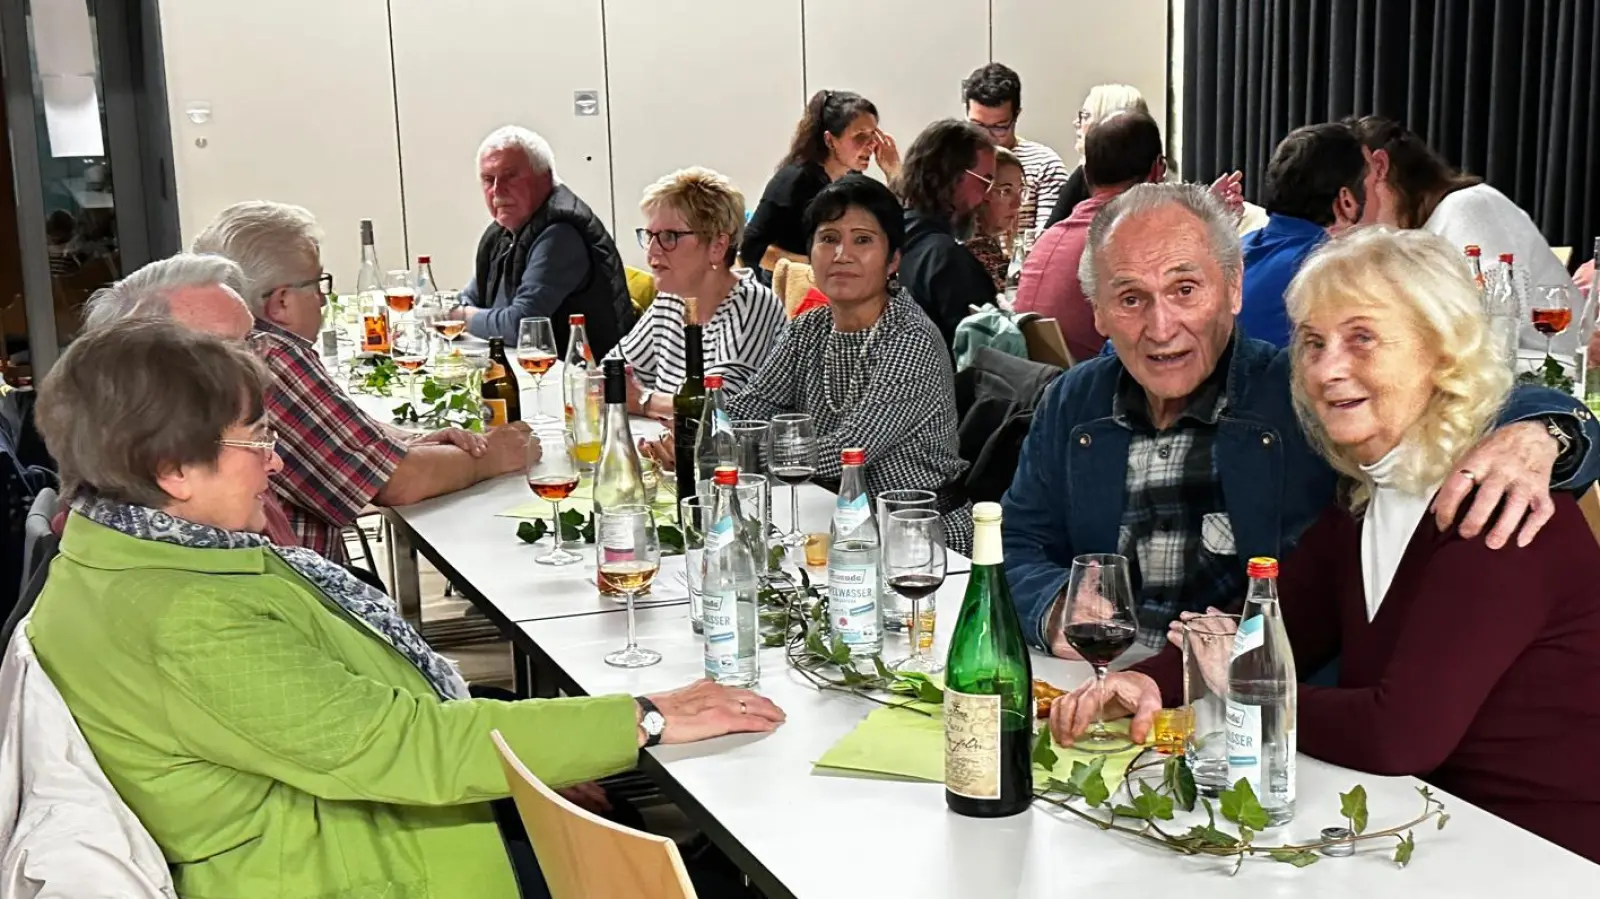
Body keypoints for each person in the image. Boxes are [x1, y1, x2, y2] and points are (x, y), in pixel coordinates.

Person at [25, 320, 786, 898]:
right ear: (170, 469)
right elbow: (406, 747)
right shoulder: (178, 615)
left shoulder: (123, 551)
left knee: (647, 812)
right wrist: (645, 716)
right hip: (370, 868)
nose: (278, 459)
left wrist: (551, 752)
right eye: (257, 438)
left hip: (353, 812)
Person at [1050, 228, 1600, 864]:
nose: (1326, 367)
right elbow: (1277, 631)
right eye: (1312, 343)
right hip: (1421, 829)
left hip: (1537, 856)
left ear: (1441, 353)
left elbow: (1398, 736)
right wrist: (1148, 686)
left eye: (1361, 338)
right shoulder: (1365, 501)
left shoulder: (1497, 515)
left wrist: (1232, 677)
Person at [1001, 182, 1600, 657]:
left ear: (1233, 288)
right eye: (1131, 299)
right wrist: (1052, 607)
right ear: (1099, 313)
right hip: (1110, 679)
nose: (1161, 328)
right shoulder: (1073, 404)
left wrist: (1545, 431)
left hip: (1256, 706)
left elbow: (1460, 396)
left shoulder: (1300, 393)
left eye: (1186, 289)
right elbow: (1018, 539)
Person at [642, 174, 972, 552]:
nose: (841, 254)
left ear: (893, 259)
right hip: (829, 519)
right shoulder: (810, 328)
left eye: (862, 240)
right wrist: (700, 439)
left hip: (919, 537)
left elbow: (849, 451)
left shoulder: (910, 339)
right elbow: (751, 405)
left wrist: (724, 450)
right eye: (829, 239)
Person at [188, 201, 532, 563]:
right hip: (304, 590)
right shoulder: (271, 356)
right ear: (282, 302)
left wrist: (413, 440)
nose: (323, 298)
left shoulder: (229, 348)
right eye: (318, 283)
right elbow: (394, 482)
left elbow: (351, 443)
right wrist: (492, 456)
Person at [1351, 115, 1578, 354]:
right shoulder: (1420, 230)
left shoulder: (1469, 207)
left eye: (1355, 188)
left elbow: (1498, 327)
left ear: (1380, 166)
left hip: (1544, 376)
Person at [614, 167, 785, 419]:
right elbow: (614, 372)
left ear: (717, 246)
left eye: (668, 237)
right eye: (649, 236)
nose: (651, 252)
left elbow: (721, 409)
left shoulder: (754, 305)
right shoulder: (673, 299)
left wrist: (643, 399)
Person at [452, 125, 634, 358]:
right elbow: (470, 297)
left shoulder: (561, 234)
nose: (497, 190)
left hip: (579, 381)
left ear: (545, 176)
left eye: (510, 176)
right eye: (488, 179)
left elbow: (522, 327)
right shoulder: (502, 231)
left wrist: (458, 317)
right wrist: (457, 311)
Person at [1014, 110, 1164, 363]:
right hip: (1097, 394)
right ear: (1157, 170)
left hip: (1044, 391)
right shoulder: (1131, 245)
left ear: (1085, 173)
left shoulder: (1050, 238)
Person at [1238, 122, 1378, 348]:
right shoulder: (1332, 272)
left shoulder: (1235, 248)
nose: (1380, 198)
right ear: (1347, 201)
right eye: (1374, 184)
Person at [740, 90, 898, 279]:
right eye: (860, 136)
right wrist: (815, 265)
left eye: (873, 136)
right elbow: (751, 248)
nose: (871, 145)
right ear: (830, 140)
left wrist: (893, 171)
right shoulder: (794, 180)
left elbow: (890, 223)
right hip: (790, 293)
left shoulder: (852, 180)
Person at [897, 119, 999, 350]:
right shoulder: (948, 260)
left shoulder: (889, 239)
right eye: (986, 182)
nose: (987, 197)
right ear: (952, 175)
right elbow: (988, 355)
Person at [961, 62, 1071, 236]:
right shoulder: (955, 162)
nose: (987, 137)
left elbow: (1049, 240)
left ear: (1016, 115)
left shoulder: (1045, 164)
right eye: (977, 126)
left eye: (999, 127)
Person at [1043, 83, 1149, 231]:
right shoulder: (1154, 180)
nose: (1076, 123)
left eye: (1085, 116)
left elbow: (1049, 238)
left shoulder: (1083, 176)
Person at [961, 147, 1024, 293]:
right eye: (1006, 191)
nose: (1018, 204)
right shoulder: (974, 248)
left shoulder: (990, 243)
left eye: (1021, 190)